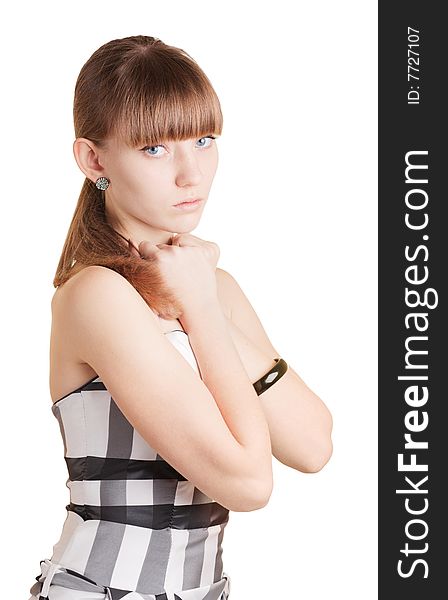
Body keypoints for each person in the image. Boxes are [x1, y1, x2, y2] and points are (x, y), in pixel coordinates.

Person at [28, 35, 333, 600]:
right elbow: (248, 482)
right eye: (154, 149)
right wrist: (199, 309)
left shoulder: (211, 284)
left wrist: (203, 300)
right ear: (93, 159)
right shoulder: (97, 295)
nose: (191, 173)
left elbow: (312, 445)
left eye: (204, 139)